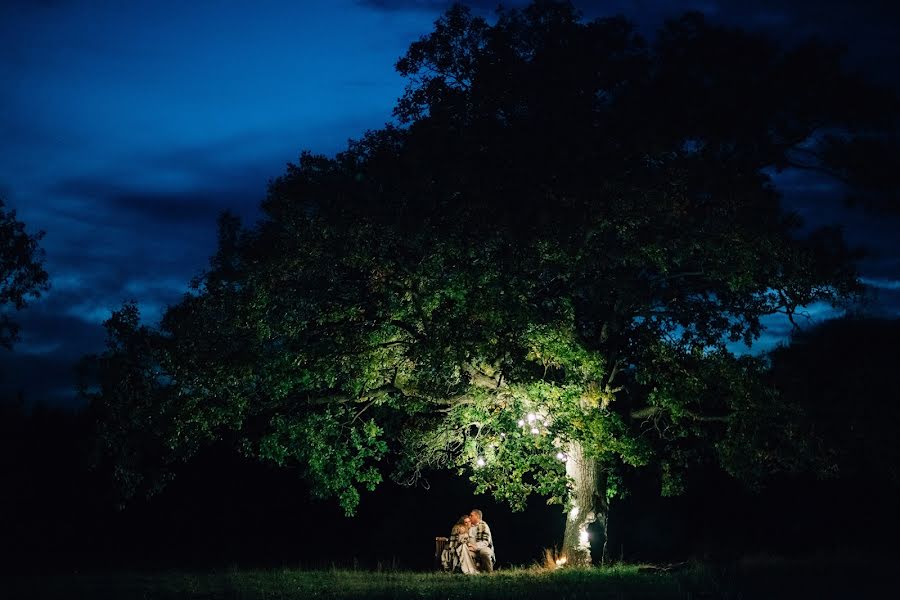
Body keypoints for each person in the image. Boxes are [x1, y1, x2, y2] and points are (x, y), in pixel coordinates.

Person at [467, 508, 495, 573]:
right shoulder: (469, 526)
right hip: (471, 549)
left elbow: (485, 542)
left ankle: (489, 572)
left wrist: (475, 547)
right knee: (465, 552)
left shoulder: (483, 526)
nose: (469, 517)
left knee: (484, 552)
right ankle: (474, 571)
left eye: (471, 515)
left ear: (477, 516)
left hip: (483, 548)